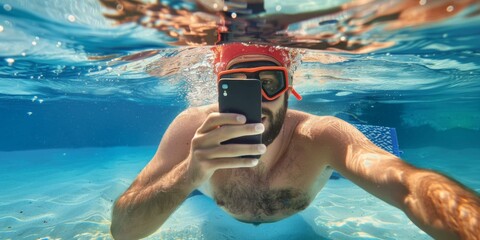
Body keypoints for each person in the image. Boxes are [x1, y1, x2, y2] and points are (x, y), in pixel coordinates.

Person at [110, 43, 480, 240]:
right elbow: (123, 231)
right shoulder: (192, 129)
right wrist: (191, 172)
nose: (256, 101)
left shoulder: (320, 134)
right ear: (220, 92)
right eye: (240, 86)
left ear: (290, 89)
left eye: (269, 83)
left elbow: (409, 187)